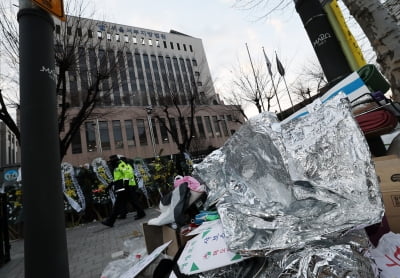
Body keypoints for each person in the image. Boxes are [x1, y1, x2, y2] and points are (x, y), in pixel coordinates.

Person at [102, 155, 146, 227]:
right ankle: (140, 213)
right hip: (122, 186)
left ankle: (110, 221)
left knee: (118, 204)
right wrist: (110, 185)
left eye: (111, 162)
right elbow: (117, 177)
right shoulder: (117, 165)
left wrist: (125, 183)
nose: (110, 164)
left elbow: (128, 173)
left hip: (123, 187)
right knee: (132, 201)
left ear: (114, 161)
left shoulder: (120, 164)